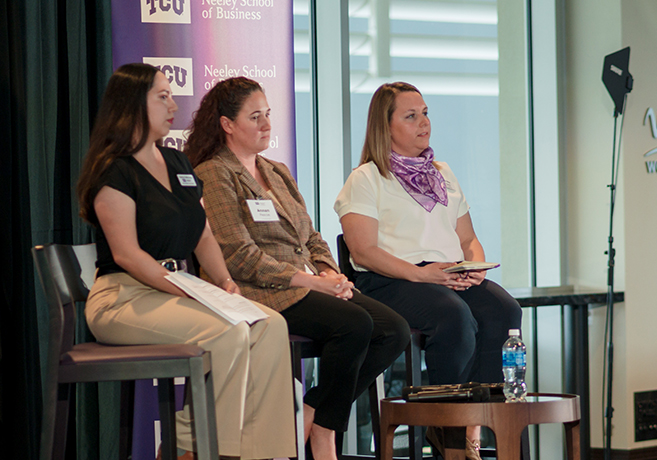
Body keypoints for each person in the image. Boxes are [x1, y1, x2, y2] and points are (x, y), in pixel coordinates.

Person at [76, 63, 295, 460]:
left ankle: (257, 452)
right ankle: (193, 447)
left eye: (171, 95)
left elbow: (203, 234)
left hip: (175, 290)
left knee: (269, 325)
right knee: (229, 332)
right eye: (162, 97)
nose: (173, 105)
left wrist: (225, 283)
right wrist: (188, 290)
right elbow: (127, 255)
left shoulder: (178, 163)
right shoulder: (114, 171)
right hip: (123, 298)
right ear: (132, 104)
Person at [186, 77, 409, 460]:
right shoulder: (215, 173)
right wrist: (310, 281)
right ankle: (324, 434)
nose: (266, 124)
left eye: (268, 114)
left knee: (394, 330)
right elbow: (239, 255)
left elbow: (310, 235)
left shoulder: (277, 171)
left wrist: (328, 271)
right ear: (227, 124)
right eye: (255, 117)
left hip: (305, 284)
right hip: (257, 291)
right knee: (354, 325)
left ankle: (314, 414)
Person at [335, 82, 522, 460]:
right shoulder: (366, 178)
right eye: (411, 116)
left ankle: (476, 428)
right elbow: (363, 251)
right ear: (385, 127)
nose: (424, 122)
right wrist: (422, 274)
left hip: (447, 274)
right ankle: (447, 430)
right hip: (391, 279)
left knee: (504, 310)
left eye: (425, 113)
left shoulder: (443, 173)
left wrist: (475, 267)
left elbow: (468, 238)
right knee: (453, 316)